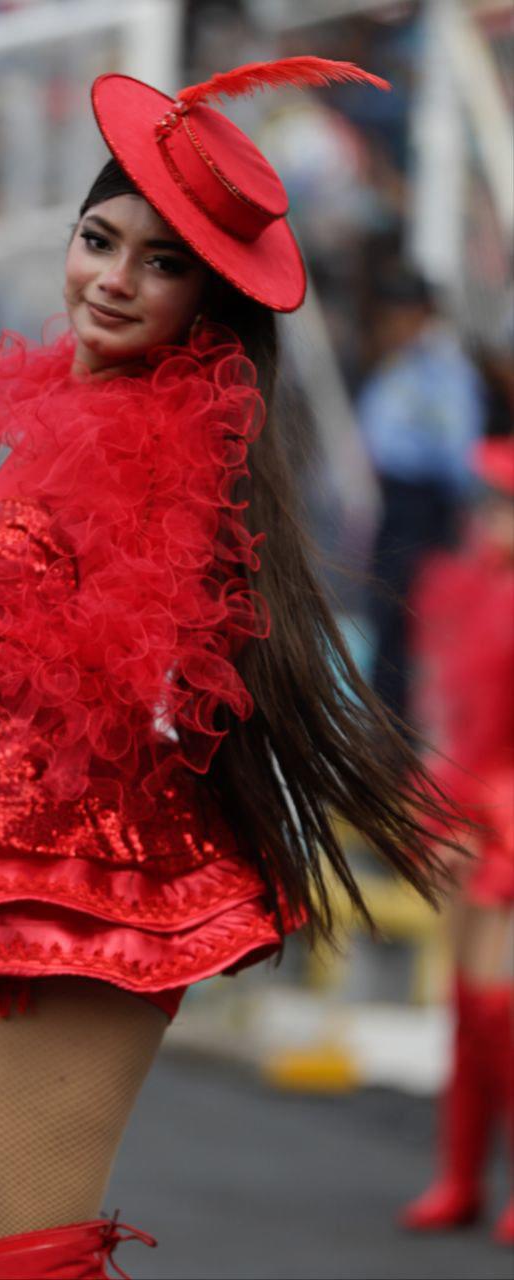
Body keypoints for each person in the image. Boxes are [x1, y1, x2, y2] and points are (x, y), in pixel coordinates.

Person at [0, 60, 465, 1280]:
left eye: (160, 263)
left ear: (207, 299)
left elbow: (107, 687)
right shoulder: (58, 411)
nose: (111, 280)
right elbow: (22, 618)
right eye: (97, 240)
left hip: (78, 880)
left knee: (16, 1266)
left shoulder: (174, 444)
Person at [400, 437, 514, 1246]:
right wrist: (442, 816)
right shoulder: (463, 589)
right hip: (466, 808)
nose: (488, 515)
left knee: (500, 1002)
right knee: (467, 1006)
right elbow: (444, 717)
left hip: (506, 816)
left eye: (504, 502)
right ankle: (461, 1177)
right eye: (484, 499)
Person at [358, 269, 485, 726]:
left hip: (424, 509)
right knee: (386, 618)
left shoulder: (443, 372)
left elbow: (457, 452)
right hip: (395, 506)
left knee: (414, 621)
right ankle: (388, 729)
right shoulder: (394, 365)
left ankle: (405, 733)